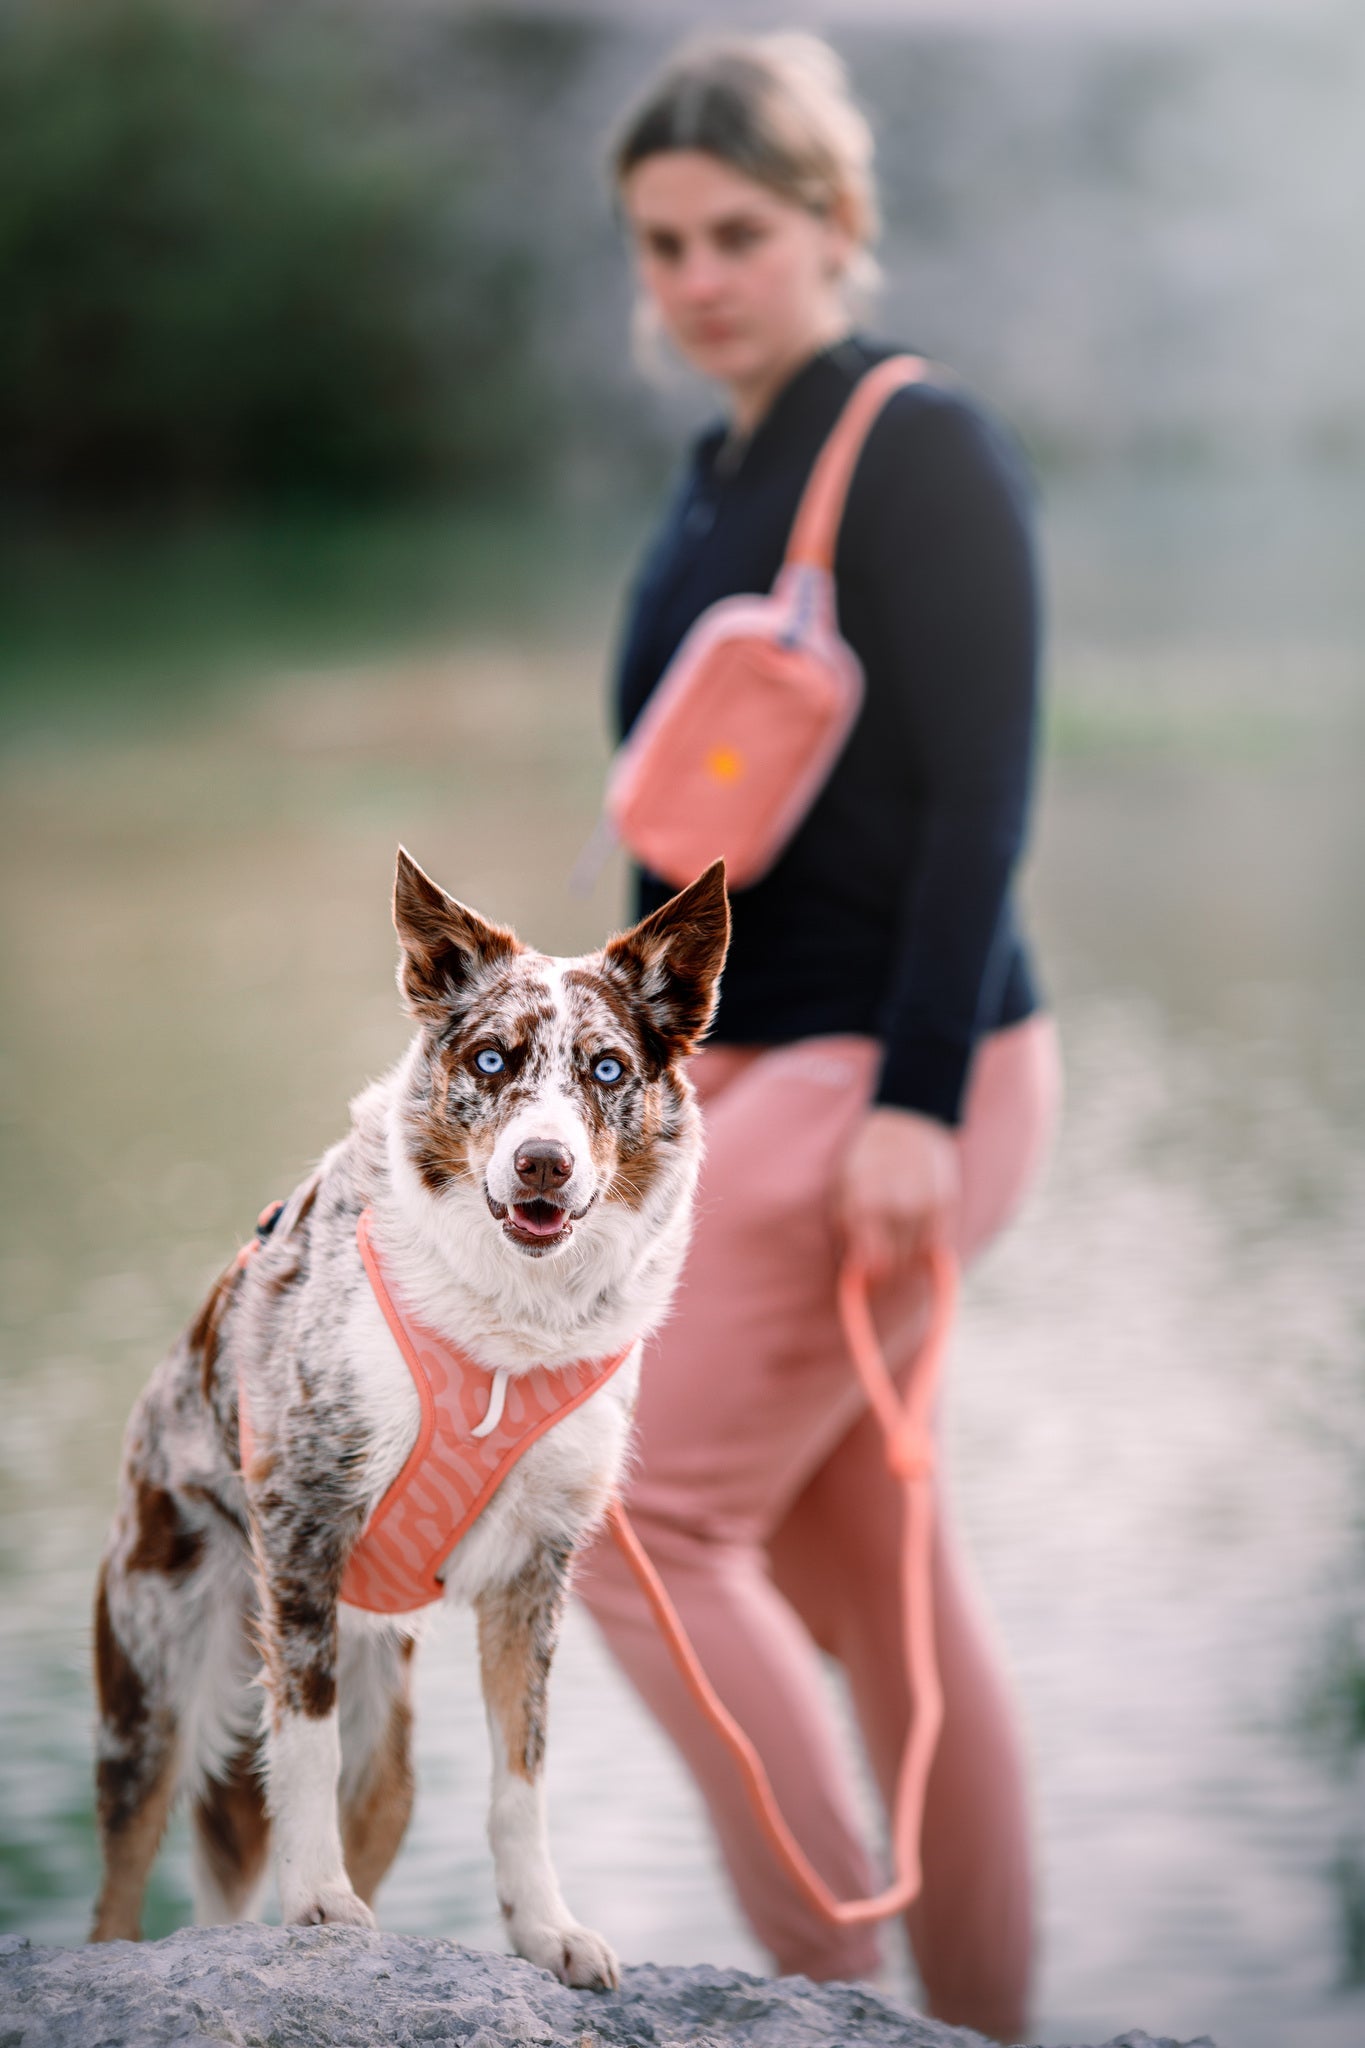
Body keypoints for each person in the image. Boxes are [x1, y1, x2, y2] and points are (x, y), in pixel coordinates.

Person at [577, 32, 1061, 2042]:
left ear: (832, 227)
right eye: (664, 243)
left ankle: (824, 2003)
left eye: (738, 234)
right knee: (872, 1586)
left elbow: (981, 792)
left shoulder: (906, 439)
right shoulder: (712, 478)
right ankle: (976, 2026)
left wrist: (917, 1103)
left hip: (887, 1071)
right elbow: (673, 840)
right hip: (744, 1076)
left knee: (635, 1522)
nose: (698, 276)